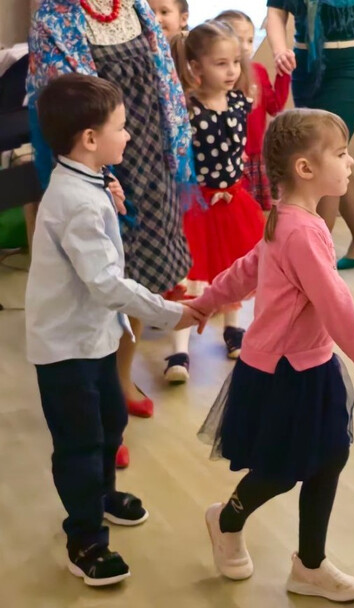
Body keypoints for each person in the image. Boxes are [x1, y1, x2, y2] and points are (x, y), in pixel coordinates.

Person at [190, 108, 354, 602]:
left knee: (330, 457)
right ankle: (226, 520)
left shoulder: (293, 219)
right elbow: (336, 307)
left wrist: (207, 301)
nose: (351, 162)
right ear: (305, 168)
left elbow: (249, 266)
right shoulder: (300, 231)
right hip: (283, 372)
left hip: (311, 364)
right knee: (282, 469)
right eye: (342, 154)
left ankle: (309, 565)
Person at [25, 74, 202, 586]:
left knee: (109, 419)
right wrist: (170, 312)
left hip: (95, 336)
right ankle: (84, 538)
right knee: (79, 442)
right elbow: (104, 281)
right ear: (89, 138)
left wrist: (110, 195)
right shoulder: (76, 201)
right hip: (67, 348)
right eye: (120, 128)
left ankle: (101, 497)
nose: (128, 135)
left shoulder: (87, 180)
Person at [27, 0, 194, 425]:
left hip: (149, 155)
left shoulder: (137, 8)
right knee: (100, 275)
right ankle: (97, 392)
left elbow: (165, 86)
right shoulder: (54, 18)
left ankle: (121, 377)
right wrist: (94, 176)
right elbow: (57, 114)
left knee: (142, 269)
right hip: (96, 163)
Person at [164, 21, 265, 381]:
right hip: (197, 206)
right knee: (189, 276)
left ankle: (233, 329)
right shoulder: (187, 108)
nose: (232, 70)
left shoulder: (239, 101)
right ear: (196, 66)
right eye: (221, 63)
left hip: (234, 203)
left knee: (234, 268)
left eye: (235, 62)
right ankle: (178, 349)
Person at [265, 0, 354, 269]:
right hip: (304, 66)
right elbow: (276, 12)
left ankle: (316, 259)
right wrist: (279, 51)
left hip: (350, 65)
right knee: (330, 157)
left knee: (326, 157)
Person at [217, 10, 291, 212]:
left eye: (250, 40)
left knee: (260, 212)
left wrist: (284, 74)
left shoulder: (258, 71)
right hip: (229, 158)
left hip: (256, 156)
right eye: (238, 39)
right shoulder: (216, 77)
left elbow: (275, 107)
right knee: (234, 211)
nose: (246, 47)